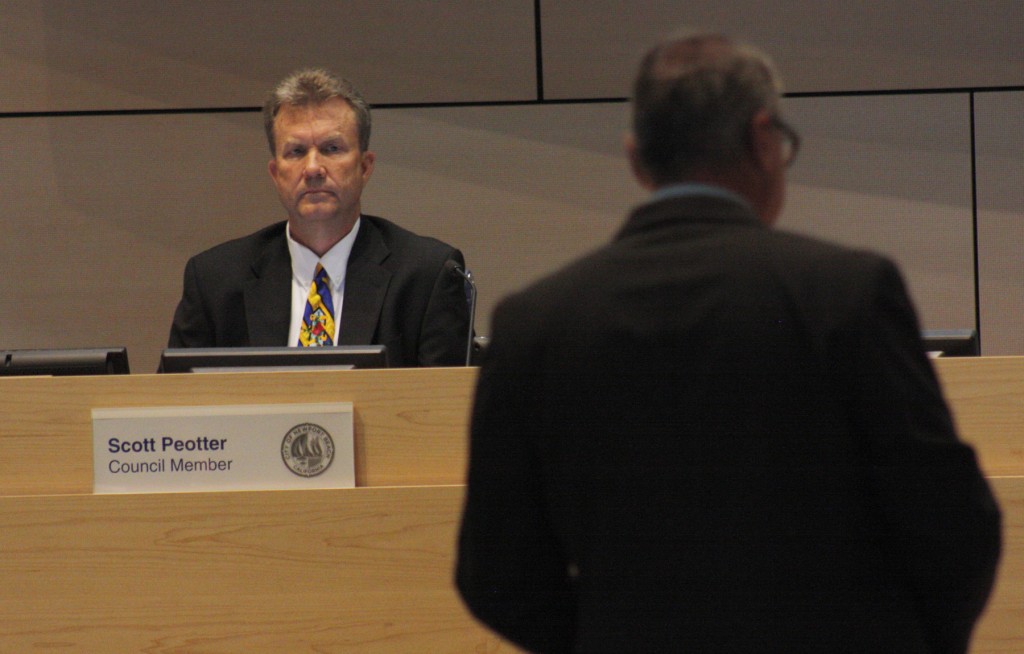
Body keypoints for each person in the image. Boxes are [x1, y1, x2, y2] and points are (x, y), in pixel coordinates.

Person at [455, 31, 1001, 653]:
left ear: (637, 160)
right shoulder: (848, 294)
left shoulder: (535, 324)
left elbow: (494, 573)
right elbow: (955, 526)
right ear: (764, 140)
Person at [167, 68, 469, 366]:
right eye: (296, 152)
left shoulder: (427, 276)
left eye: (331, 148)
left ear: (365, 166)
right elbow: (173, 406)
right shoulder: (214, 281)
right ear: (275, 174)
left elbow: (449, 406)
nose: (313, 168)